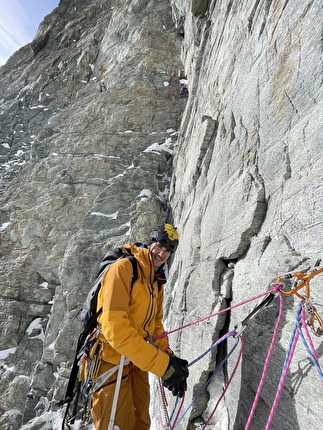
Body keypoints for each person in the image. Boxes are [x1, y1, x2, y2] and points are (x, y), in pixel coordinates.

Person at [90, 223, 189, 430]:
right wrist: (163, 367)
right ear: (150, 243)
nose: (162, 253)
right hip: (111, 361)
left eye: (168, 250)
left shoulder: (156, 281)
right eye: (160, 245)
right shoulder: (123, 269)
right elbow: (115, 329)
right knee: (116, 425)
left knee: (140, 423)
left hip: (135, 361)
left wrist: (169, 358)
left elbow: (155, 325)